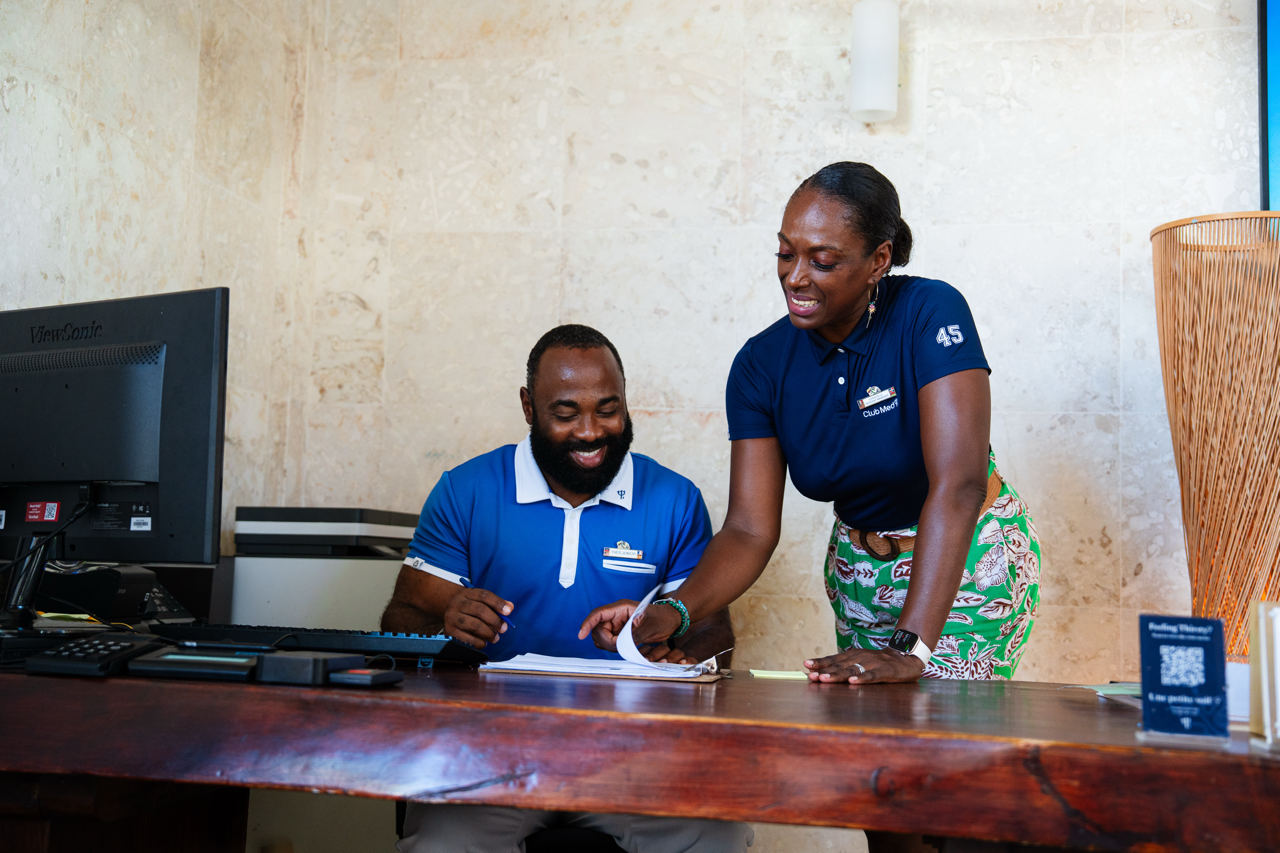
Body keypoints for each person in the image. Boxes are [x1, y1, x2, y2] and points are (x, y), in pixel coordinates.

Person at [581, 162, 1041, 685]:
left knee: (945, 738)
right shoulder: (761, 365)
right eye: (785, 253)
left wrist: (910, 649)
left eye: (821, 260)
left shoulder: (929, 312)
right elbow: (749, 528)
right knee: (876, 737)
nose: (795, 276)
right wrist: (670, 612)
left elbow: (958, 485)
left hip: (967, 562)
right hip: (859, 571)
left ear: (878, 260)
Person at [383, 323, 751, 853]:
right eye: (565, 413)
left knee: (717, 834)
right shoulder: (465, 490)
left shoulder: (674, 498)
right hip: (486, 752)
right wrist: (446, 620)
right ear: (529, 407)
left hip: (635, 754)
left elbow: (714, 630)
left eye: (608, 409)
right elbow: (400, 620)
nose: (590, 431)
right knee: (442, 843)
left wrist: (672, 650)